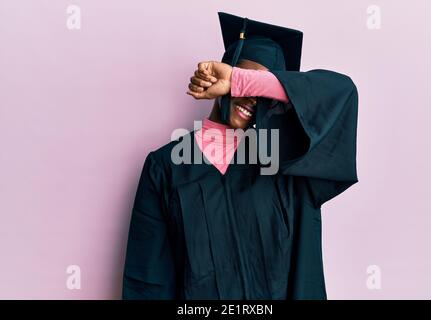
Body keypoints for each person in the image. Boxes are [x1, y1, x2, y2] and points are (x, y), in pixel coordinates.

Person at [122, 12, 359, 300]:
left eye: (261, 90)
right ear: (223, 70)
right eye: (241, 81)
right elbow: (148, 282)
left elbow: (343, 93)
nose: (251, 99)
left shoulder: (286, 168)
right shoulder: (166, 167)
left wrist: (240, 80)